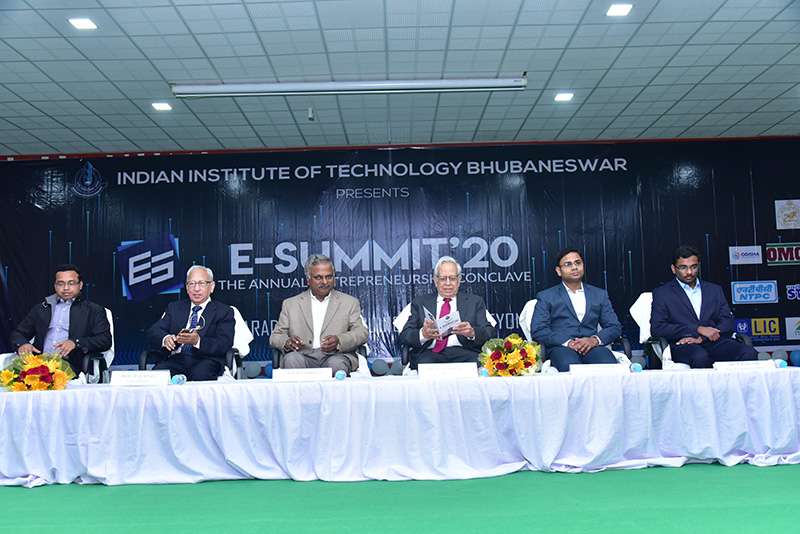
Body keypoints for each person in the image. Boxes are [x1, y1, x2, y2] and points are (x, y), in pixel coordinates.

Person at [651, 245, 758, 368]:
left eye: (693, 267)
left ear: (699, 266)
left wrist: (702, 338)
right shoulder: (662, 293)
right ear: (673, 269)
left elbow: (727, 322)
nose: (689, 272)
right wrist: (697, 329)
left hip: (713, 342)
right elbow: (658, 328)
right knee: (700, 357)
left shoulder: (714, 290)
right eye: (683, 267)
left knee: (748, 352)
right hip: (683, 344)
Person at [270, 254, 368, 376]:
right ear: (308, 279)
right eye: (318, 277)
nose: (325, 282)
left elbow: (361, 333)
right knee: (291, 359)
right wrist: (287, 342)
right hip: (302, 355)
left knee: (336, 364)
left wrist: (339, 341)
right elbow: (276, 336)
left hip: (336, 355)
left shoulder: (350, 302)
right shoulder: (291, 304)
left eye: (329, 277)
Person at [10, 264, 111, 377]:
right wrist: (22, 344)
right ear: (55, 286)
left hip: (71, 368)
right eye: (61, 283)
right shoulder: (42, 308)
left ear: (80, 285)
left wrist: (76, 343)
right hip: (39, 367)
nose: (66, 288)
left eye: (71, 283)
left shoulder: (94, 310)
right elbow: (18, 333)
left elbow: (104, 340)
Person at [530, 247, 622, 372]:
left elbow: (614, 326)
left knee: (608, 362)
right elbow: (539, 330)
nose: (574, 267)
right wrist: (568, 342)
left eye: (577, 263)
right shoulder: (546, 296)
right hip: (562, 348)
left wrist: (594, 340)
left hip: (592, 347)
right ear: (558, 271)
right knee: (569, 365)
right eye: (568, 264)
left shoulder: (599, 294)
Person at [400, 256, 494, 367]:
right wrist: (423, 334)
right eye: (443, 278)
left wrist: (472, 333)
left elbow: (490, 333)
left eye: (452, 278)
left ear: (459, 280)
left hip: (465, 351)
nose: (448, 283)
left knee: (475, 364)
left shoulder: (474, 302)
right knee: (424, 364)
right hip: (430, 354)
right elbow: (405, 335)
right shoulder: (420, 303)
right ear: (435, 281)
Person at [146, 265, 235, 381]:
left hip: (206, 360)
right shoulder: (174, 308)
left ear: (211, 286)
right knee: (158, 376)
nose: (196, 289)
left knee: (200, 376)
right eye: (192, 283)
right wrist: (166, 338)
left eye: (202, 283)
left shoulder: (223, 311)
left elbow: (223, 343)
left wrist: (197, 341)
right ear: (187, 287)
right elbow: (153, 331)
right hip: (176, 359)